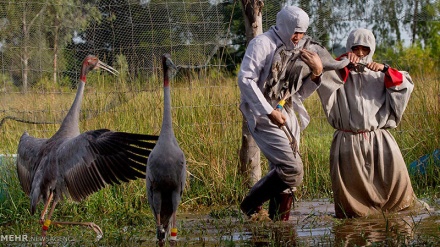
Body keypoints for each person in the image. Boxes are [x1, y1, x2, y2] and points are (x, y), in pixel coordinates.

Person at [317, 28, 420, 218]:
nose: (361, 54)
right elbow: (321, 75)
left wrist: (385, 69)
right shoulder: (339, 73)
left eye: (365, 49)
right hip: (348, 142)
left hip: (380, 140)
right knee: (353, 207)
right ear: (349, 49)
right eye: (355, 49)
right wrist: (342, 62)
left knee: (399, 200)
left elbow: (404, 84)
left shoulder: (381, 74)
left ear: (371, 49)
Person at [238, 6, 324, 221]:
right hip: (262, 114)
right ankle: (250, 204)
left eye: (302, 32)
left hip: (286, 112)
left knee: (285, 173)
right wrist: (269, 111)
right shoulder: (262, 44)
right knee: (291, 168)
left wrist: (316, 73)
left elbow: (298, 93)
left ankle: (279, 223)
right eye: (295, 31)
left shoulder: (300, 48)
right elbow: (245, 79)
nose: (298, 37)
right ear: (284, 26)